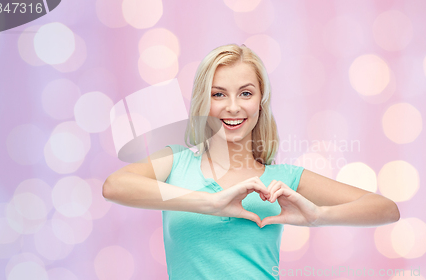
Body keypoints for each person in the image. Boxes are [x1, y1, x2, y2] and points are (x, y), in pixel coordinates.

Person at [102, 43, 400, 279]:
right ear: (203, 102)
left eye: (245, 93)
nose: (233, 107)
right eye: (219, 94)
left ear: (260, 102)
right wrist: (210, 203)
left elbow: (386, 209)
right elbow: (115, 186)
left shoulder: (285, 178)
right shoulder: (174, 162)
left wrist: (318, 215)